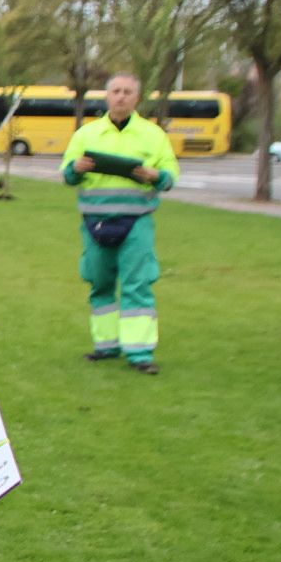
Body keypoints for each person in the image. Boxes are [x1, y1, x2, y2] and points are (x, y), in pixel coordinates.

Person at [60, 72, 177, 375]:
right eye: (115, 91)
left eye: (127, 91)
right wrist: (76, 168)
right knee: (99, 282)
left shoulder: (153, 135)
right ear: (107, 96)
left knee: (137, 284)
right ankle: (106, 345)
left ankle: (140, 353)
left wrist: (155, 176)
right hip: (95, 222)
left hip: (136, 221)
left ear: (137, 97)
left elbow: (170, 176)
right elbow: (67, 174)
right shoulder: (87, 134)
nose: (121, 96)